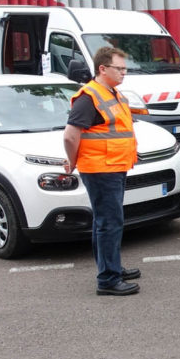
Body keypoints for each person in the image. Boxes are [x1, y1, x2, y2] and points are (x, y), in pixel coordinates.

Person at [62, 47, 140, 296]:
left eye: (125, 69)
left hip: (113, 166)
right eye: (119, 69)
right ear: (102, 69)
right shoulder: (89, 97)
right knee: (109, 223)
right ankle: (108, 279)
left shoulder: (111, 93)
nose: (123, 73)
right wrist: (72, 161)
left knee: (106, 222)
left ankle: (111, 267)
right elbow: (70, 135)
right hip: (101, 169)